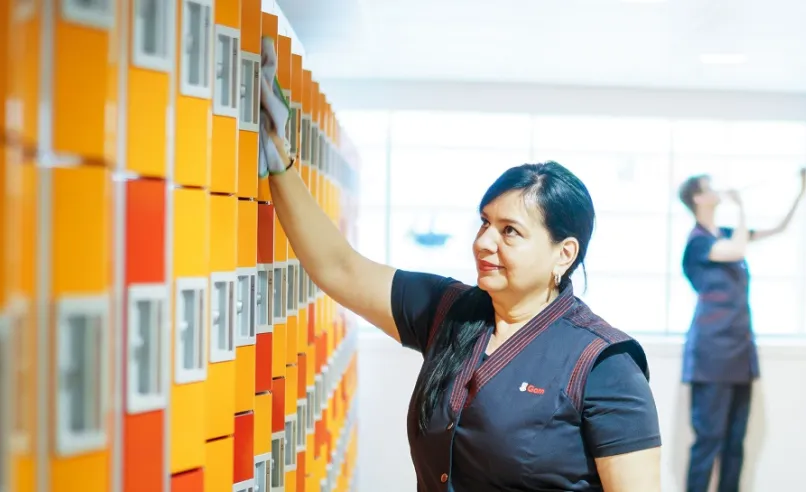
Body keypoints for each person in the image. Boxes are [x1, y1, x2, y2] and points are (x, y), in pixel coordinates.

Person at [258, 81, 662, 491]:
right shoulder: (450, 312)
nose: (484, 241)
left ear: (564, 253)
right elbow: (339, 268)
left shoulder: (604, 365)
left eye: (510, 232)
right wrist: (279, 160)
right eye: (485, 222)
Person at [675, 170, 806, 492]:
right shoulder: (699, 242)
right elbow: (737, 251)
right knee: (709, 439)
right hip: (712, 353)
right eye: (710, 188)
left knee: (736, 441)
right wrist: (742, 206)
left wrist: (800, 191)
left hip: (739, 350)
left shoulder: (728, 234)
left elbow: (778, 229)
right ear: (697, 198)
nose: (718, 190)